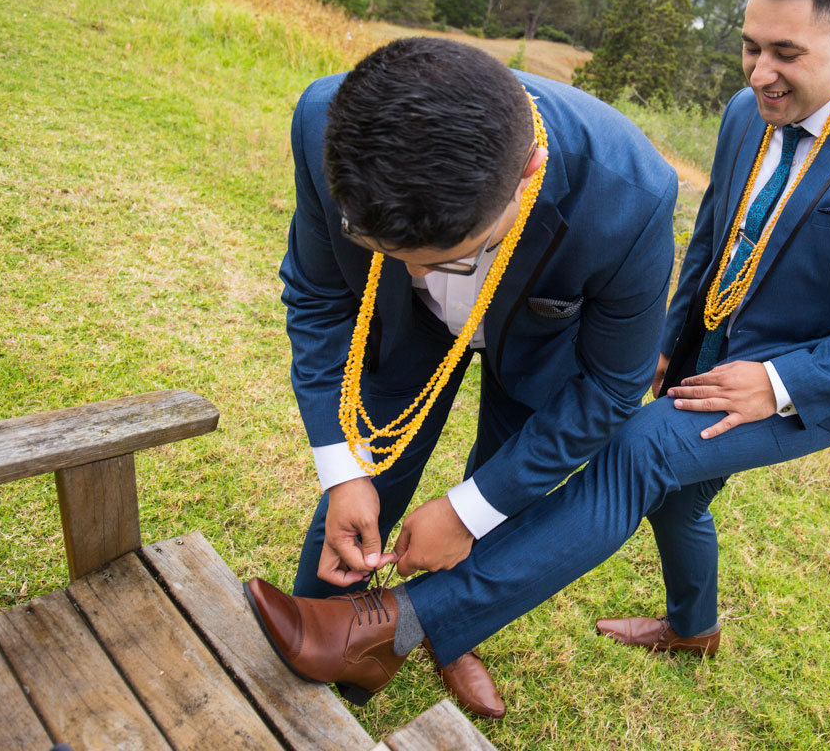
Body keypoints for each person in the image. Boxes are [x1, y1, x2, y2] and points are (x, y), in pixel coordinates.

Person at [247, 0, 830, 706]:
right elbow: (717, 242)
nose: (759, 73)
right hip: (700, 352)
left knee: (634, 451)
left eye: (784, 53)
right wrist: (663, 344)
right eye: (750, 47)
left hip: (796, 386)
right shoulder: (745, 112)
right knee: (678, 495)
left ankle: (402, 628)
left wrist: (780, 382)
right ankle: (691, 627)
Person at [276, 36, 678, 717]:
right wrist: (342, 471)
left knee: (497, 484)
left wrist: (468, 511)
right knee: (371, 472)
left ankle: (444, 631)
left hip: (538, 348)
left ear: (530, 171)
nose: (421, 279)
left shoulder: (629, 196)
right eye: (389, 253)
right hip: (404, 340)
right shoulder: (325, 119)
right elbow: (316, 298)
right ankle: (311, 641)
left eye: (453, 259)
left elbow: (611, 386)